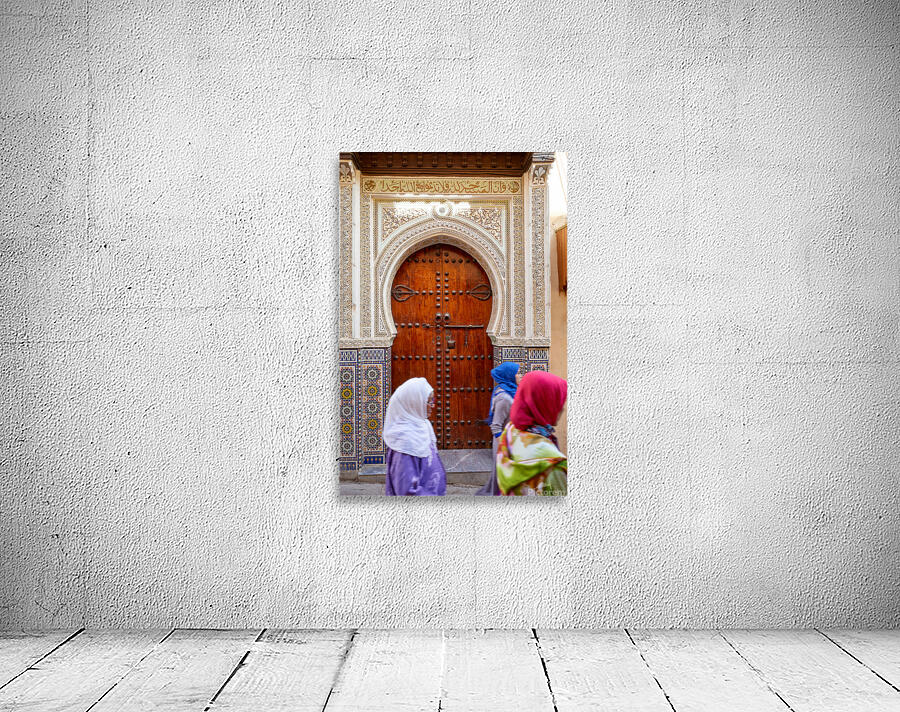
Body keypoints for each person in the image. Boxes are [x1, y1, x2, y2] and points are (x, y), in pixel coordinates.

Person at [496, 371, 568, 496]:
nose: (562, 408)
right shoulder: (552, 466)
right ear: (544, 403)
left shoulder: (511, 431)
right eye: (557, 400)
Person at [382, 377, 446, 496]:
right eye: (429, 401)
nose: (433, 406)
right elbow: (406, 490)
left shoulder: (423, 425)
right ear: (413, 402)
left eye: (433, 400)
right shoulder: (404, 442)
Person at [475, 362, 520, 496]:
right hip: (505, 442)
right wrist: (504, 447)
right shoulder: (504, 398)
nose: (520, 375)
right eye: (517, 373)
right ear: (509, 376)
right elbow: (495, 425)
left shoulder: (511, 392)